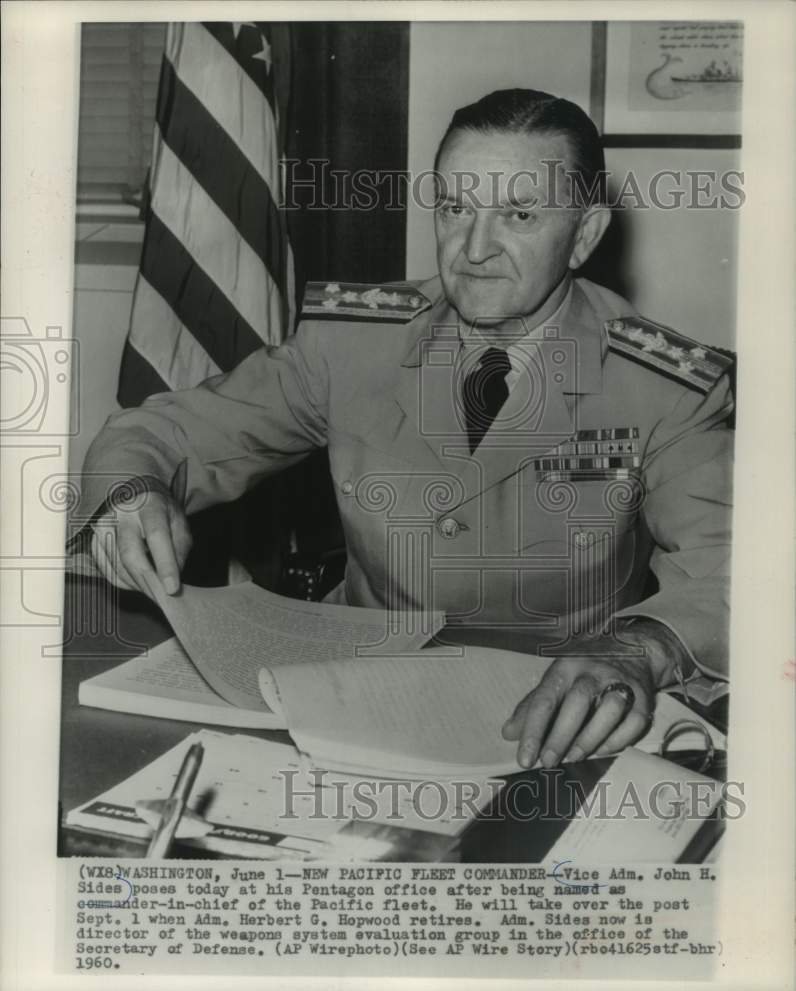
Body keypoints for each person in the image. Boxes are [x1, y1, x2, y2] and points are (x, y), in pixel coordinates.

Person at [74, 88, 733, 771]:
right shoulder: (352, 344)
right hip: (355, 694)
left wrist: (635, 649)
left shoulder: (661, 384)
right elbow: (166, 433)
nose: (475, 249)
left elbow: (734, 564)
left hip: (557, 714)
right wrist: (133, 491)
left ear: (585, 235)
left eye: (520, 215)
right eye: (455, 208)